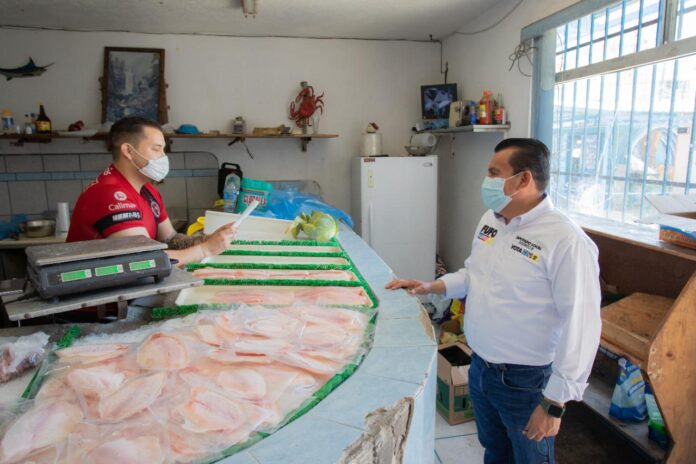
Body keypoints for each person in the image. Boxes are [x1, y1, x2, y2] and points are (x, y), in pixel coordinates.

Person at [386, 138, 601, 464]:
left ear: (524, 179)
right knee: (495, 451)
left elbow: (582, 325)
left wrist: (554, 404)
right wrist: (432, 286)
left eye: (494, 173)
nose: (486, 181)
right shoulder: (491, 220)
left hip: (526, 381)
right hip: (481, 368)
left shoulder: (565, 240)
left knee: (530, 459)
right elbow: (474, 274)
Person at [67, 116, 236, 264]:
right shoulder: (109, 194)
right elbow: (146, 261)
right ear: (128, 151)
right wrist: (205, 249)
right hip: (98, 290)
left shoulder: (147, 190)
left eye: (163, 150)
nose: (163, 157)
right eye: (156, 149)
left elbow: (170, 239)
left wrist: (208, 239)